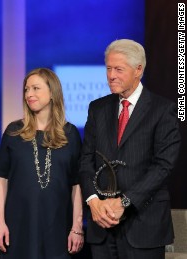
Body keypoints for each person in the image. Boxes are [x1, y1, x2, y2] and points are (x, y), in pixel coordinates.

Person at [79, 39, 181, 259]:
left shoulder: (163, 110)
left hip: (144, 226)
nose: (111, 75)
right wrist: (92, 201)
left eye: (118, 69)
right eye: (108, 68)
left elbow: (163, 166)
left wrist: (124, 202)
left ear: (138, 70)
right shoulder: (97, 108)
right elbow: (86, 159)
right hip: (102, 227)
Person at [0, 68, 84, 258]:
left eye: (36, 88)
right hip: (18, 227)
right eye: (26, 90)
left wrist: (77, 226)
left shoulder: (70, 134)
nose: (29, 94)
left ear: (52, 93)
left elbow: (76, 185)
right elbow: (2, 181)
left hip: (58, 227)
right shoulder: (13, 131)